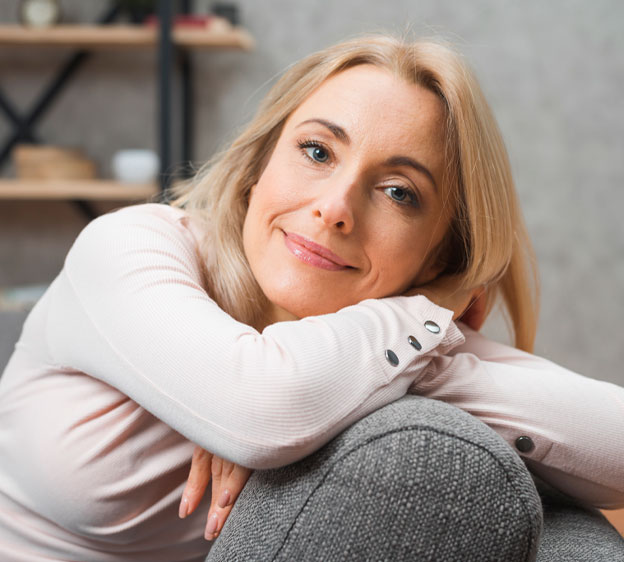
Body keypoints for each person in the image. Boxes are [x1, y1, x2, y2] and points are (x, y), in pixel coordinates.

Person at [0, 35, 622, 560]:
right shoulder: (128, 247)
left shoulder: (383, 338)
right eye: (317, 151)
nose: (335, 208)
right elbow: (263, 406)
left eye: (399, 192)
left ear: (435, 258)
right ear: (258, 166)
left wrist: (415, 344)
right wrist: (422, 321)